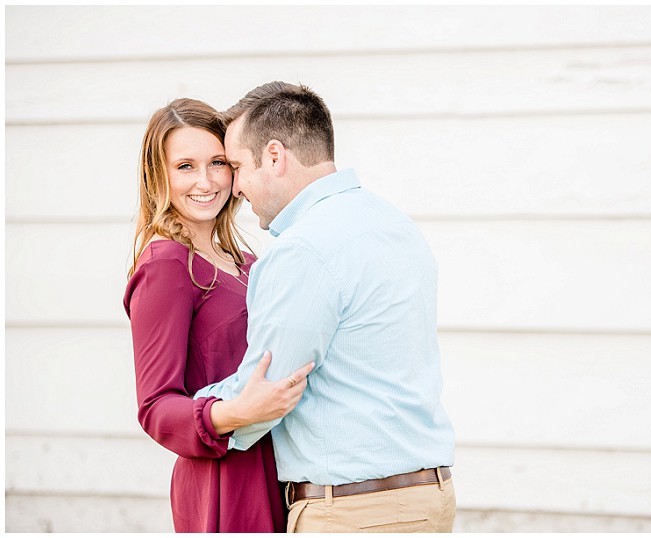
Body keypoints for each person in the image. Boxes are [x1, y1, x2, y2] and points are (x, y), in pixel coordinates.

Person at [193, 82, 456, 533]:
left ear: (274, 156)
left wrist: (189, 414)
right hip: (426, 497)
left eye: (236, 166)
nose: (234, 187)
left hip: (354, 512)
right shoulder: (393, 224)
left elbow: (268, 389)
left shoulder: (304, 249)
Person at [123, 98, 314, 533]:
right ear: (159, 176)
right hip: (226, 479)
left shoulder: (247, 260)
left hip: (285, 466)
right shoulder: (166, 266)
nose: (205, 181)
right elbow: (155, 407)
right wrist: (235, 412)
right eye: (185, 166)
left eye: (218, 163)